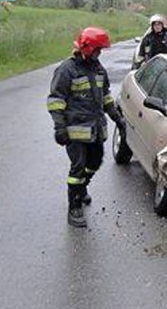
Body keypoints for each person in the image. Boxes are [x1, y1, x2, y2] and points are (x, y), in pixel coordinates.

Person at [46, 27, 127, 228]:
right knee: (78, 167)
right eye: (98, 49)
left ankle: (82, 187)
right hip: (75, 130)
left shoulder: (99, 69)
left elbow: (106, 97)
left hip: (95, 129)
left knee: (96, 161)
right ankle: (74, 207)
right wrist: (59, 127)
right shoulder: (66, 70)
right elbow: (56, 100)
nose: (100, 53)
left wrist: (118, 119)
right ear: (87, 47)